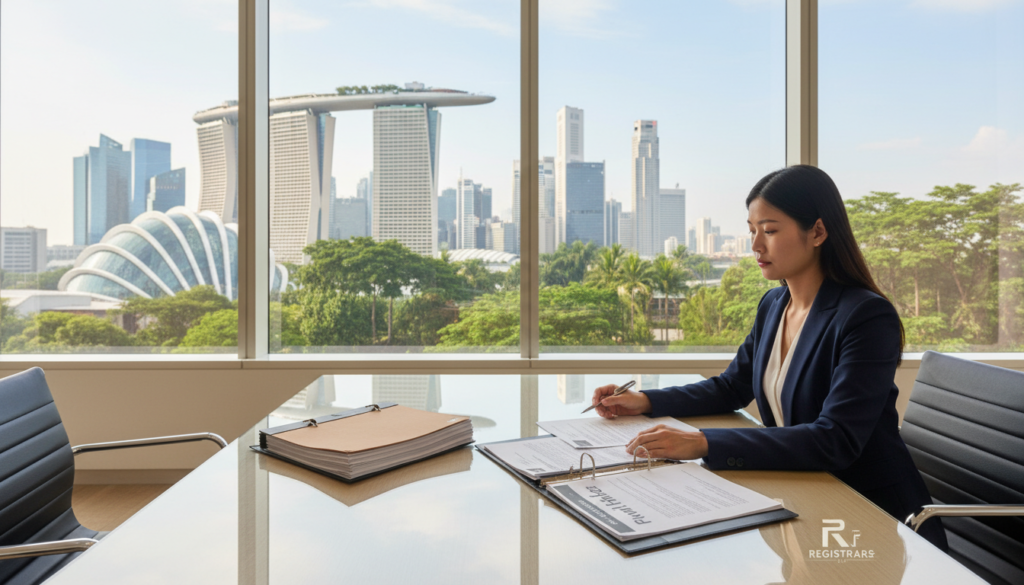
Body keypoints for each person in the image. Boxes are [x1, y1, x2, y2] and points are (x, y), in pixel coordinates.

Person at [590, 165, 948, 551]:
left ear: (818, 232)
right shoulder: (775, 304)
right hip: (806, 495)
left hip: (870, 516)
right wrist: (644, 401)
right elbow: (732, 387)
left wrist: (702, 443)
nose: (756, 245)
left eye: (771, 231)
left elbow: (835, 440)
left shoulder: (865, 317)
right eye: (752, 231)